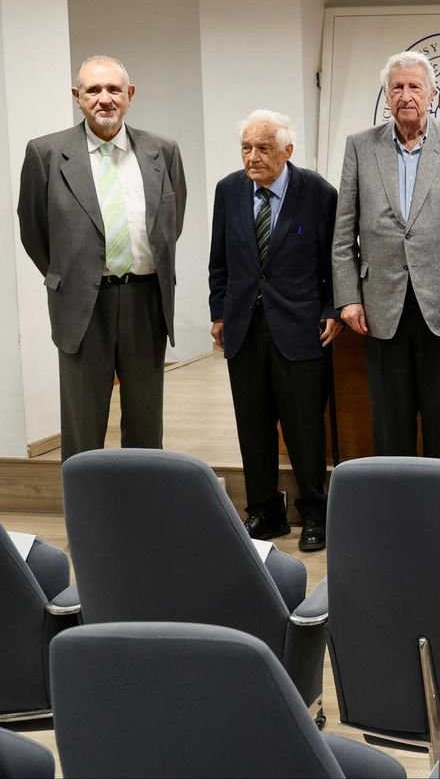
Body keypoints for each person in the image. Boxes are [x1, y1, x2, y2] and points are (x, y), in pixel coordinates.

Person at [17, 55, 188, 459]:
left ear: (130, 95)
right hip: (81, 305)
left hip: (146, 299)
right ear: (78, 97)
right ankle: (87, 517)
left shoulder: (162, 151)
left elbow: (171, 221)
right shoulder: (46, 153)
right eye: (93, 90)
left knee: (147, 424)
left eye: (114, 89)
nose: (104, 99)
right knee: (82, 426)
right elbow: (33, 230)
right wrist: (70, 274)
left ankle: (143, 513)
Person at [331, 51, 440, 461]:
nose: (406, 95)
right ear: (387, 96)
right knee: (390, 423)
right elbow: (343, 231)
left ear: (432, 94)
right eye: (397, 87)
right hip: (381, 308)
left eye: (414, 87)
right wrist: (349, 297)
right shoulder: (360, 147)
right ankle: (397, 514)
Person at [207, 111, 338, 552]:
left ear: (287, 150)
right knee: (253, 424)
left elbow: (333, 260)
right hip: (244, 326)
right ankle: (264, 510)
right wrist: (219, 312)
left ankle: (315, 512)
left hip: (300, 327)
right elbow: (219, 260)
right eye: (246, 147)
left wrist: (331, 309)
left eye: (263, 147)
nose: (252, 156)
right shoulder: (228, 191)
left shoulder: (317, 192)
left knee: (304, 428)